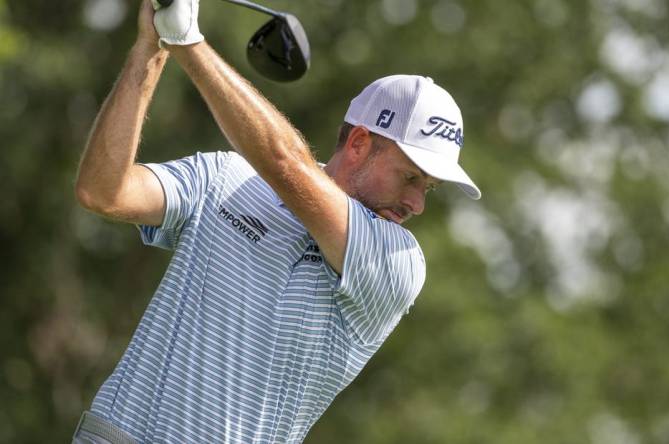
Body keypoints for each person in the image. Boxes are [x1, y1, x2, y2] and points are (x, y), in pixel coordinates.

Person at [72, 1, 480, 442]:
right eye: (410, 177)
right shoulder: (223, 179)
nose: (417, 203)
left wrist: (187, 41)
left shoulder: (397, 263)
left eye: (429, 187)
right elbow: (103, 191)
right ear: (360, 143)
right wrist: (151, 49)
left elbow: (286, 163)